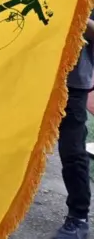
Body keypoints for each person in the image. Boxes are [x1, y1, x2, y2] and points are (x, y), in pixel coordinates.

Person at [53, 12, 94, 239]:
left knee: (71, 149)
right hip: (35, 76)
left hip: (73, 82)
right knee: (15, 142)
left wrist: (73, 11)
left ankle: (78, 217)